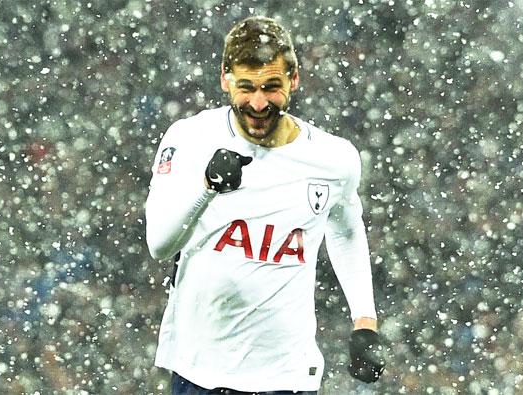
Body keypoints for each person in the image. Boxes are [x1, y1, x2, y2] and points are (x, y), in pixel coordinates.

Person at [145, 16, 385, 394]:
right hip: (201, 370)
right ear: (225, 79)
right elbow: (159, 244)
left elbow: (347, 229)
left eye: (271, 87)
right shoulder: (190, 138)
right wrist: (207, 187)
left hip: (287, 376)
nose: (258, 103)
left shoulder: (333, 158)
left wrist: (365, 322)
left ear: (294, 79)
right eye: (246, 87)